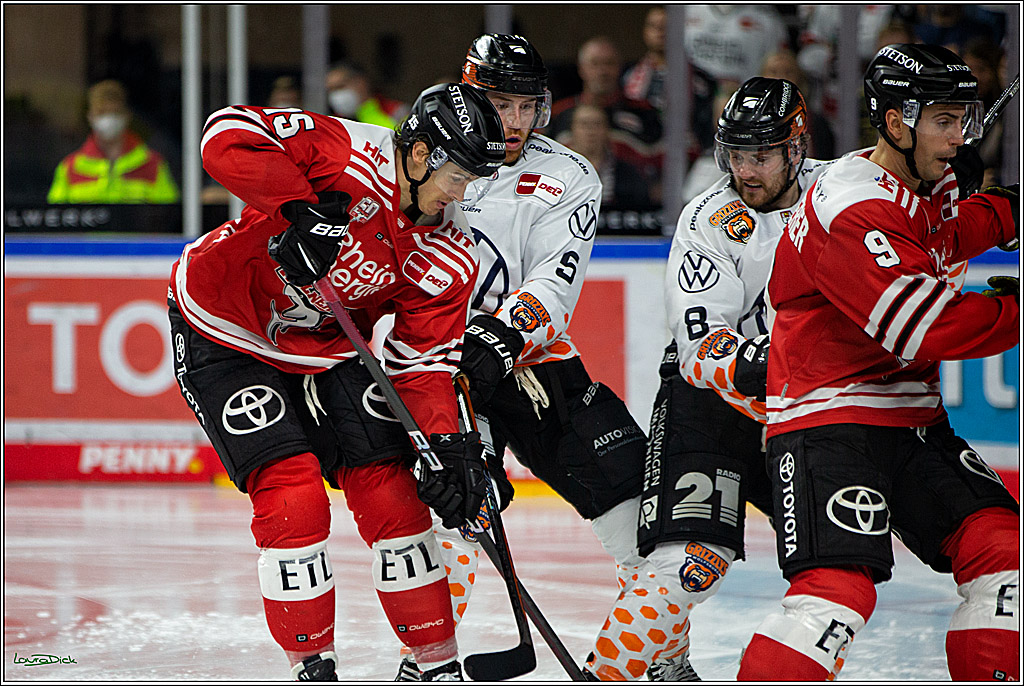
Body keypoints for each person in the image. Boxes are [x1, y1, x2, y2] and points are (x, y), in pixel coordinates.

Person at [167, 83, 506, 681]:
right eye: (460, 174)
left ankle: (434, 662)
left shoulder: (452, 253)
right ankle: (311, 663)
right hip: (224, 326)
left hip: (327, 351)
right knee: (293, 491)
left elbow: (422, 365)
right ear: (422, 154)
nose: (465, 192)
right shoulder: (346, 151)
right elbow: (224, 134)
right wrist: (298, 207)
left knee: (392, 490)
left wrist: (449, 452)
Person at [737, 44, 1019, 681]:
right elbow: (923, 325)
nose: (962, 136)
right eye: (945, 120)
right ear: (897, 123)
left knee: (1005, 552)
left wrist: (1007, 211)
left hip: (910, 423)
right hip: (827, 421)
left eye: (965, 119)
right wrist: (1014, 305)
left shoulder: (918, 184)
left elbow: (941, 231)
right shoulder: (852, 204)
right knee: (835, 593)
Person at [392, 33, 649, 681]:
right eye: (500, 103)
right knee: (455, 523)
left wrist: (500, 338)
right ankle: (427, 664)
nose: (515, 122)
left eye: (527, 106)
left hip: (533, 363)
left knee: (645, 524)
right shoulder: (423, 151)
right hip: (439, 369)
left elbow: (553, 287)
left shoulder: (565, 176)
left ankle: (651, 657)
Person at [583, 77, 832, 681]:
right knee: (690, 559)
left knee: (836, 569)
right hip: (712, 403)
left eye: (762, 154)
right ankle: (618, 670)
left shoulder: (840, 192)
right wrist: (803, 363)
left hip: (805, 413)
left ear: (796, 148)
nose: (745, 170)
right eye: (736, 154)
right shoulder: (709, 219)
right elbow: (703, 350)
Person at [547, 35, 662, 179]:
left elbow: (668, 161)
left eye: (609, 63)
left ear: (619, 67)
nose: (602, 71)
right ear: (581, 69)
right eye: (595, 64)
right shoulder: (559, 112)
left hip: (633, 196)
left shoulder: (643, 111)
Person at [47, 79, 179, 204]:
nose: (108, 119)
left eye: (115, 112)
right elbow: (55, 220)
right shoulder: (70, 168)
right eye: (102, 112)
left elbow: (168, 218)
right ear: (90, 117)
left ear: (127, 116)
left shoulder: (152, 165)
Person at [326, 61, 409, 127]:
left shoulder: (396, 111)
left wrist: (366, 111)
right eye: (331, 89)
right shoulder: (332, 122)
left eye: (340, 87)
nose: (336, 95)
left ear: (361, 83)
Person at [621, 6, 666, 111]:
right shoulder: (627, 72)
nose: (660, 31)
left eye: (666, 26)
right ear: (645, 32)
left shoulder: (693, 76)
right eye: (653, 26)